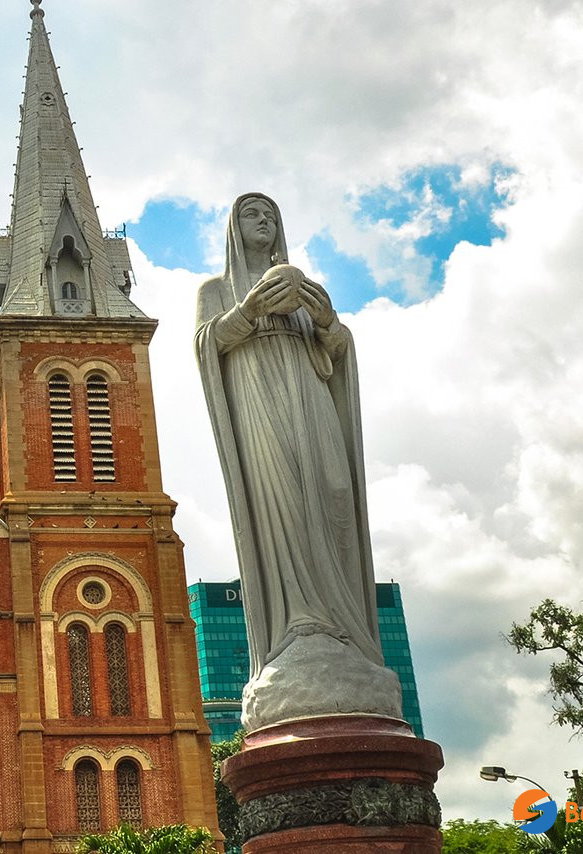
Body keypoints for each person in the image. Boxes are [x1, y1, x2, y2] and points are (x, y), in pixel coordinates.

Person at [195, 193, 393, 727]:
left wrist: (327, 321)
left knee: (333, 499)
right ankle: (298, 624)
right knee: (281, 507)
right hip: (261, 410)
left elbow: (337, 350)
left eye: (272, 215)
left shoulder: (308, 292)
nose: (265, 221)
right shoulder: (217, 291)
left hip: (311, 405)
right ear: (234, 228)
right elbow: (206, 346)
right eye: (252, 214)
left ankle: (343, 628)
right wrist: (249, 311)